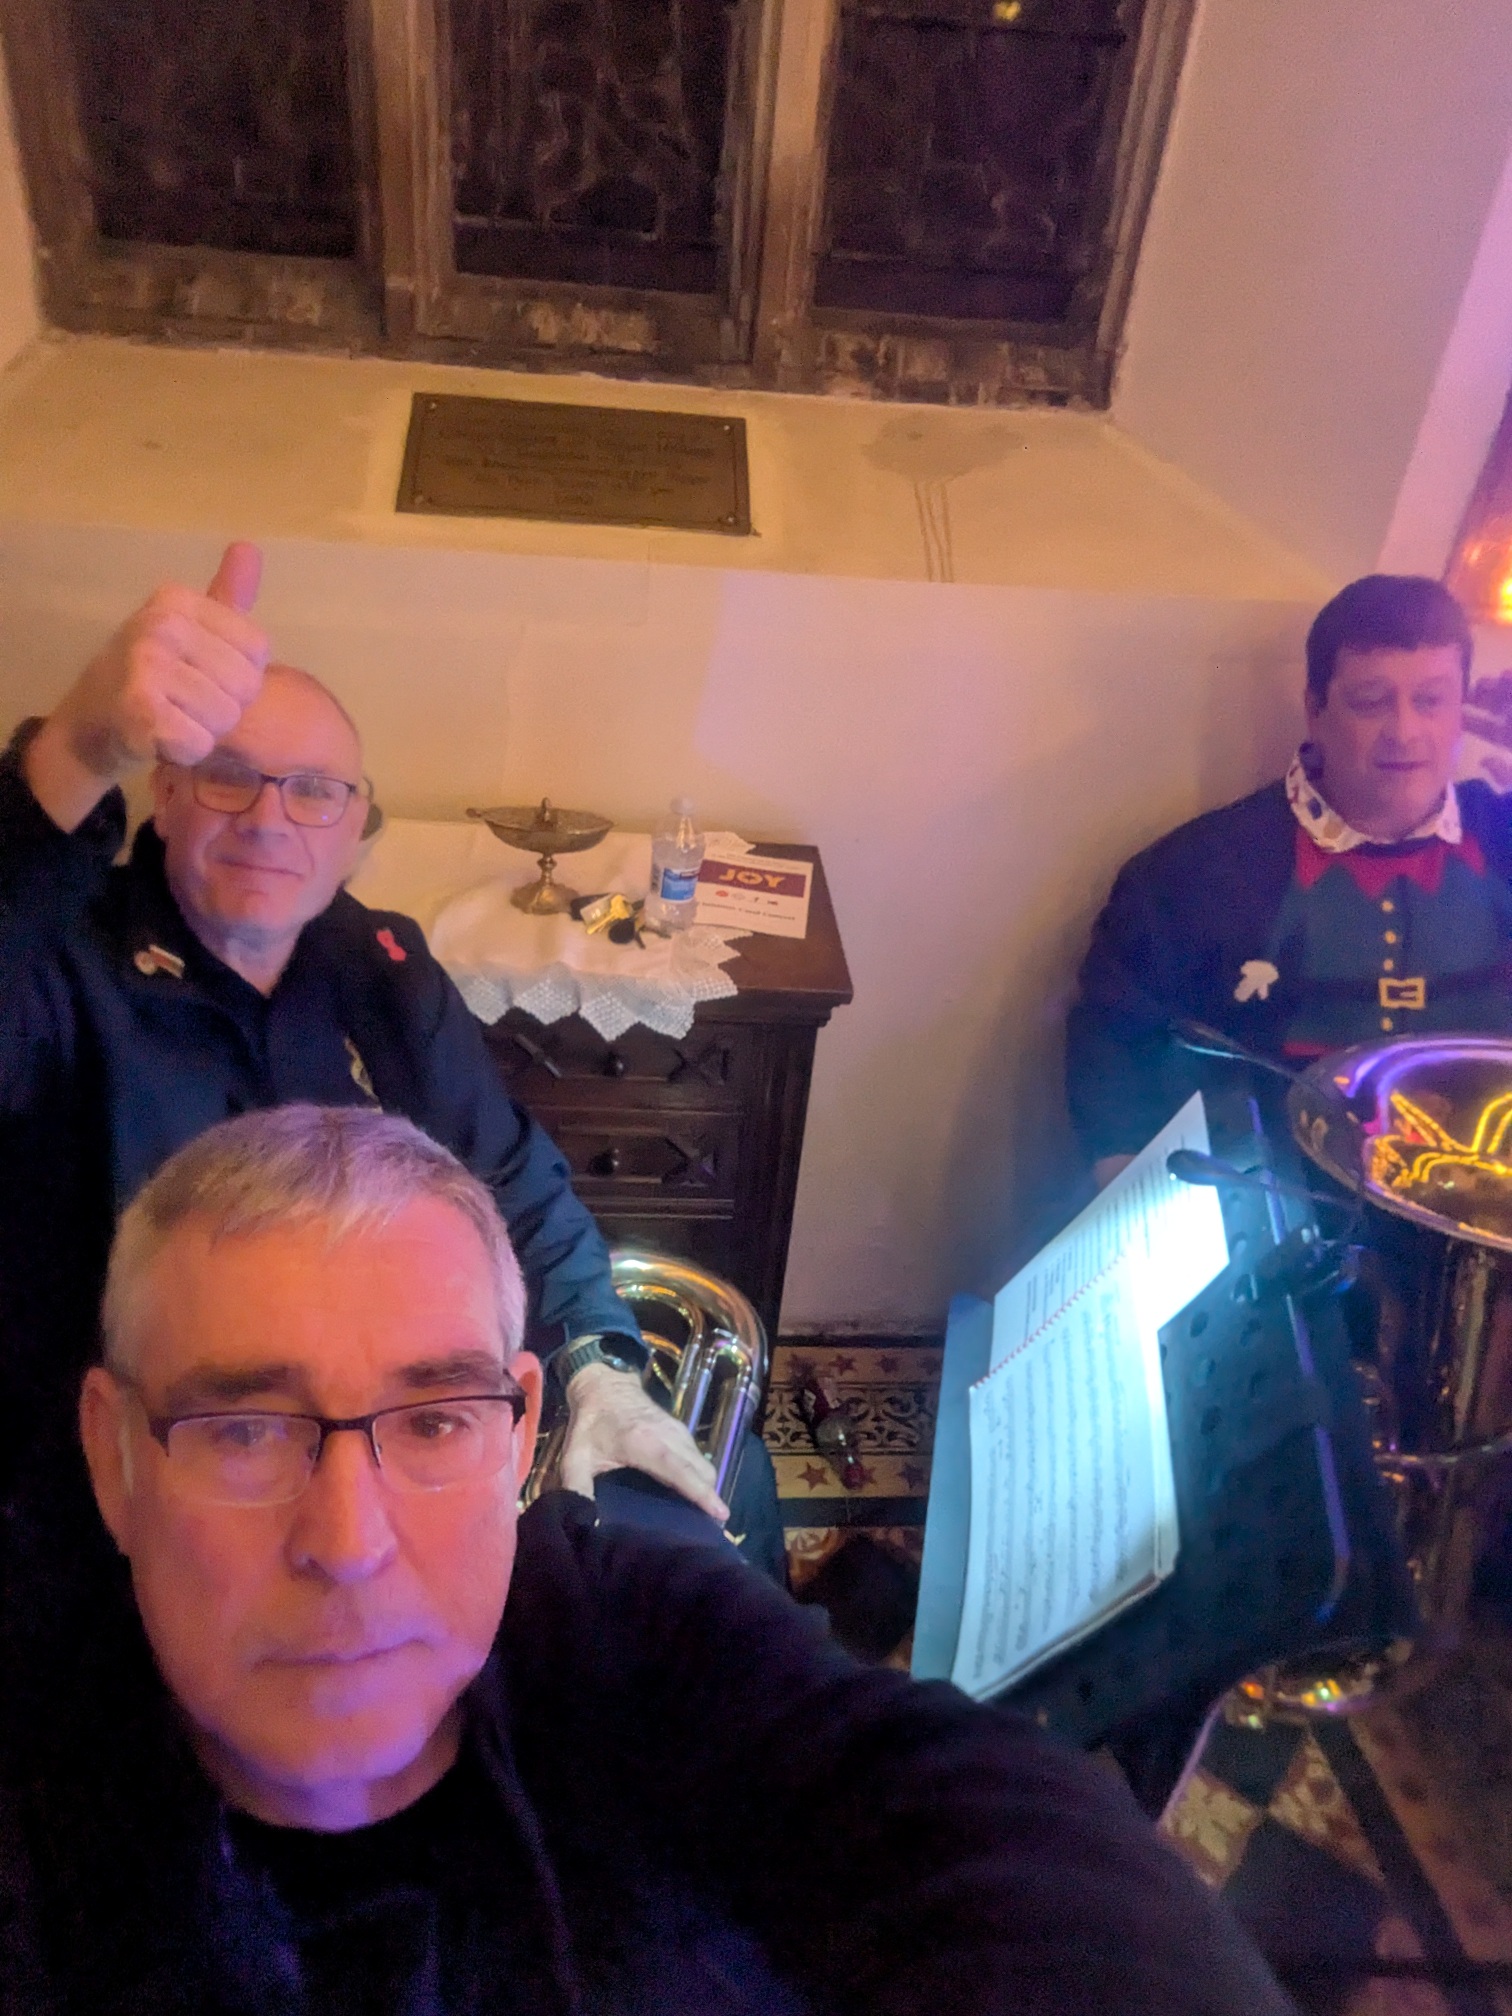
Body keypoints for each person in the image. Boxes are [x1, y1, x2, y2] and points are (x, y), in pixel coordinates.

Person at [0, 1102, 1295, 2015]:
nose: (346, 1544)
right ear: (112, 1458)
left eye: (435, 1420)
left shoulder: (631, 1632)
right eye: (243, 1431)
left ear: (519, 1439)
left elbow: (1005, 1849)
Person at [0, 541, 777, 1563]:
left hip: (394, 1410)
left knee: (716, 1490)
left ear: (354, 825)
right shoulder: (60, 960)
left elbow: (510, 1181)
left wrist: (597, 1367)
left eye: (313, 792)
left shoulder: (383, 967)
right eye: (230, 779)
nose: (270, 821)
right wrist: (78, 746)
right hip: (170, 1469)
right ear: (168, 792)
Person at [1068, 574, 1512, 1184]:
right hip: (1288, 1200)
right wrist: (1127, 1171)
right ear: (1315, 710)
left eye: (1432, 700)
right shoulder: (1195, 872)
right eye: (1371, 701)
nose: (1405, 732)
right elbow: (1116, 1037)